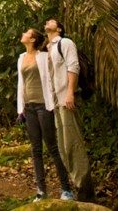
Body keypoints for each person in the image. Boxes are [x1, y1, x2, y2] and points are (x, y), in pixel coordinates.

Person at [17, 28, 75, 202]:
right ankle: (41, 191)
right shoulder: (21, 58)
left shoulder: (43, 56)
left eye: (26, 33)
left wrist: (60, 98)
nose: (23, 34)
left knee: (52, 147)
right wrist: (20, 109)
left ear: (33, 39)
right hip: (29, 108)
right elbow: (21, 83)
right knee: (35, 150)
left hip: (44, 106)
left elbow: (52, 76)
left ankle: (66, 189)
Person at [44, 18, 93, 200]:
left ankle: (86, 193)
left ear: (59, 28)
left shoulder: (65, 43)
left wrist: (70, 93)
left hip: (67, 99)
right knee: (64, 147)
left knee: (73, 144)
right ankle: (78, 186)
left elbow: (73, 66)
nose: (47, 22)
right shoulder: (48, 49)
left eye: (51, 21)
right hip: (57, 103)